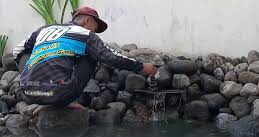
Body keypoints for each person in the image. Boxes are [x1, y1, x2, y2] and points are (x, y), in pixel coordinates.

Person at [13, 7, 157, 112]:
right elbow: (110, 56)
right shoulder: (85, 34)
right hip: (60, 94)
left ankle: (39, 88)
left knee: (27, 53)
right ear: (87, 21)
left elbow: (17, 51)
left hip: (28, 92)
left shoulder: (44, 29)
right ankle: (66, 100)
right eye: (95, 27)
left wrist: (28, 74)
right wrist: (141, 66)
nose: (94, 31)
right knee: (91, 54)